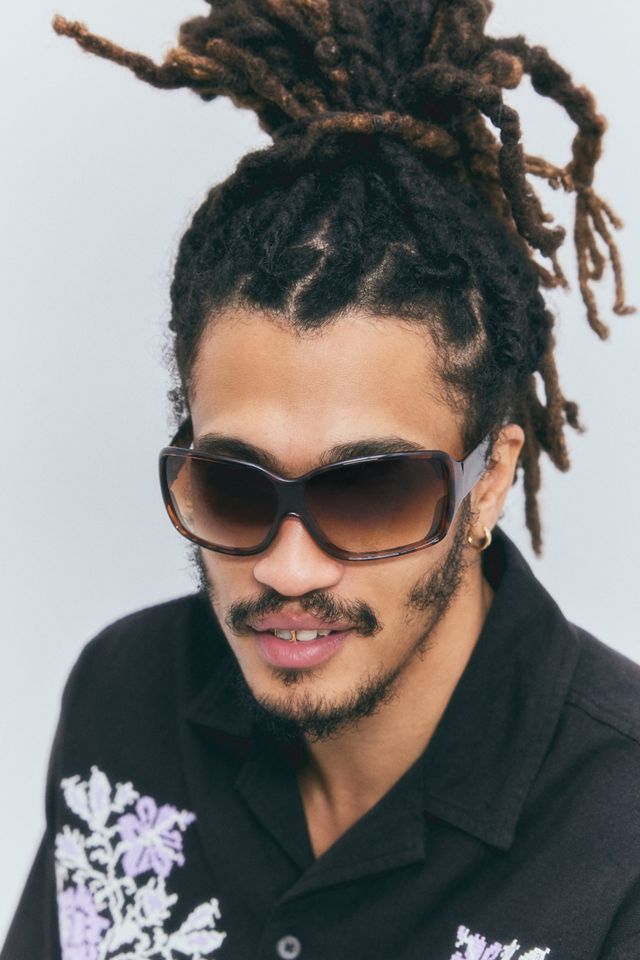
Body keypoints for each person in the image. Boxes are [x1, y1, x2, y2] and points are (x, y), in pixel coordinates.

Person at [3, 1, 638, 957]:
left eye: (369, 491)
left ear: (490, 480)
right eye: (236, 485)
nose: (288, 569)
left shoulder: (621, 833)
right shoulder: (123, 697)